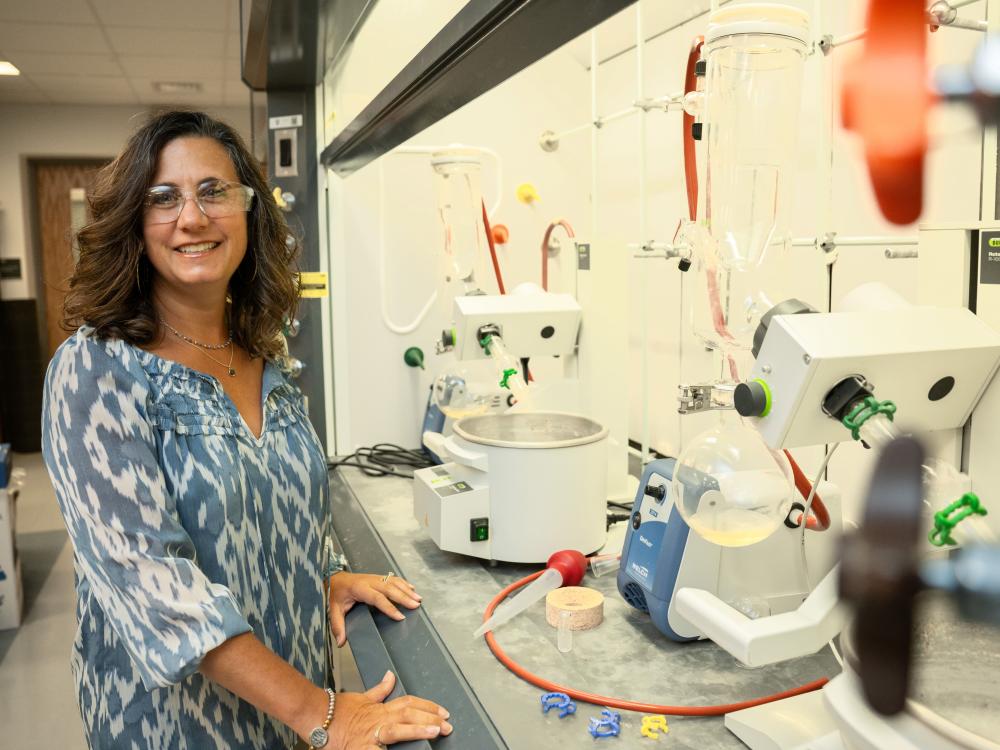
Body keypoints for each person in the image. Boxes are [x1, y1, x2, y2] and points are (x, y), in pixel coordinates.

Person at [41, 110, 453, 749]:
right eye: (163, 198)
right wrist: (325, 713)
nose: (192, 217)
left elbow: (279, 503)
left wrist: (320, 574)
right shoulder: (96, 369)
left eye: (214, 191)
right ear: (133, 223)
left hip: (287, 710)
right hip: (176, 725)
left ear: (250, 211)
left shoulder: (264, 355)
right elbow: (157, 590)